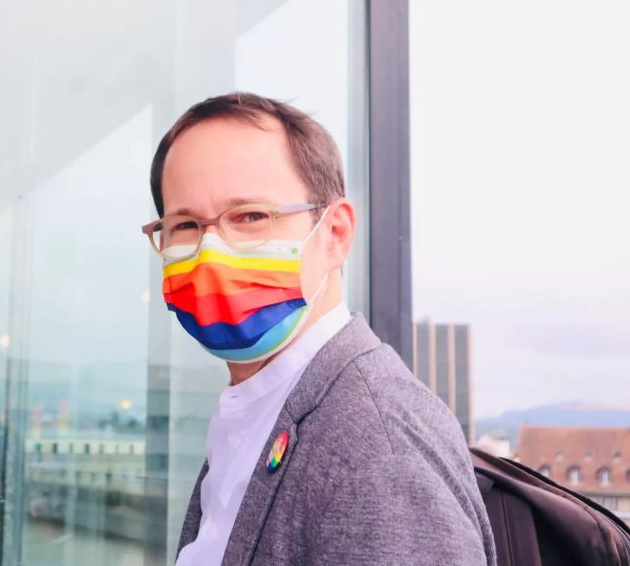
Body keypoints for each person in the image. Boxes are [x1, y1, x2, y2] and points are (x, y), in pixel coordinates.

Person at [141, 92, 496, 565]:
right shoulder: (260, 409)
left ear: (334, 234)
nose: (212, 250)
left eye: (251, 216)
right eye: (185, 224)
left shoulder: (378, 448)